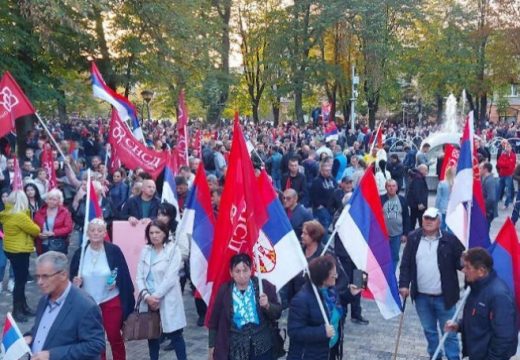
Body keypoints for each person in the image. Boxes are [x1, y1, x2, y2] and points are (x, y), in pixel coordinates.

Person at [399, 207, 464, 360]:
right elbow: (406, 264)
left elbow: (462, 264)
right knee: (429, 331)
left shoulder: (450, 240)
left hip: (445, 297)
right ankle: (435, 356)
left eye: (432, 219)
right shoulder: (413, 238)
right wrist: (403, 284)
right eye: (426, 218)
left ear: (439, 222)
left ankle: (453, 357)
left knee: (449, 333)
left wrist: (468, 261)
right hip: (421, 297)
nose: (428, 221)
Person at [70, 218, 135, 360]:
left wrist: (115, 280)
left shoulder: (113, 250)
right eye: (92, 230)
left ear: (105, 232)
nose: (95, 233)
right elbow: (72, 277)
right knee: (96, 339)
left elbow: (121, 271)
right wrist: (75, 281)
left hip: (110, 300)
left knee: (114, 336)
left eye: (99, 230)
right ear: (87, 232)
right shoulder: (80, 253)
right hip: (89, 305)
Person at [24, 251, 106, 360]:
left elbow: (95, 345)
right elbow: (42, 328)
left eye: (45, 276)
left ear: (63, 275)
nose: (39, 282)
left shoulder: (85, 306)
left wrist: (52, 355)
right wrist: (30, 336)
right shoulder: (44, 299)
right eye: (37, 276)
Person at [444, 248, 518, 360]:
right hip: (476, 354)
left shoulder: (499, 296)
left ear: (481, 271)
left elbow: (504, 337)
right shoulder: (476, 287)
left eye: (468, 267)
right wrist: (459, 325)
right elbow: (478, 319)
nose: (463, 270)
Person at [208, 253, 282, 360]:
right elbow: (214, 320)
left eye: (245, 270)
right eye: (237, 271)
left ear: (251, 270)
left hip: (262, 346)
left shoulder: (262, 286)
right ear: (231, 272)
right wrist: (211, 346)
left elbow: (278, 313)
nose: (242, 275)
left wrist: (267, 306)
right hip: (236, 348)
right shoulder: (225, 291)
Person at [287, 255, 361, 360]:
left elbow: (338, 302)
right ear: (323, 277)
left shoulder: (330, 290)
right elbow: (294, 331)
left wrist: (350, 293)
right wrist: (322, 332)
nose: (336, 276)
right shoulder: (301, 300)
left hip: (328, 351)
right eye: (333, 274)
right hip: (309, 355)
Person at [136, 220, 187, 360]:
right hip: (148, 300)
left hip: (167, 299)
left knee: (176, 336)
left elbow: (170, 278)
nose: (154, 236)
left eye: (157, 232)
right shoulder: (145, 250)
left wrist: (156, 297)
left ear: (165, 233)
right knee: (152, 337)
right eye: (151, 233)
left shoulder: (173, 250)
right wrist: (147, 297)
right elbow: (139, 277)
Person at [0, 191, 41, 322]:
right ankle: (17, 310)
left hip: (10, 248)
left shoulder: (6, 214)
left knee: (20, 280)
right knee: (20, 282)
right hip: (20, 250)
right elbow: (35, 230)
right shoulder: (20, 216)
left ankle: (23, 306)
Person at [381, 179, 410, 270]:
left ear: (397, 187)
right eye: (389, 186)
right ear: (386, 187)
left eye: (393, 186)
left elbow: (406, 217)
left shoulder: (402, 200)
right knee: (383, 257)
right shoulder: (380, 199)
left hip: (397, 234)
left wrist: (405, 234)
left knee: (394, 257)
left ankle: (392, 275)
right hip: (383, 235)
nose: (391, 188)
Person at [34, 188, 73, 255]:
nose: (51, 201)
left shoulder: (64, 212)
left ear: (59, 201)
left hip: (57, 244)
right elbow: (34, 225)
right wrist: (38, 234)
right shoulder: (40, 212)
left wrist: (54, 233)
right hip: (42, 243)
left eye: (54, 199)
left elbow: (68, 228)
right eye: (49, 199)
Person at [310, 157, 337, 231]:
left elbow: (336, 189)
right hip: (321, 209)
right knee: (322, 228)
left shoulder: (332, 179)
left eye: (329, 170)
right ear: (321, 170)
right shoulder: (317, 181)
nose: (328, 172)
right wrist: (319, 206)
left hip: (331, 208)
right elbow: (313, 196)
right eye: (326, 170)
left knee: (328, 225)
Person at [407, 164, 429, 229]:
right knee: (419, 220)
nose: (427, 172)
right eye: (426, 170)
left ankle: (411, 233)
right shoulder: (418, 178)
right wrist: (420, 203)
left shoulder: (417, 176)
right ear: (421, 170)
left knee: (413, 219)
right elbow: (416, 191)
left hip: (415, 204)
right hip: (418, 205)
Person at [496, 143, 516, 209]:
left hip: (509, 175)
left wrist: (504, 164)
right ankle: (495, 203)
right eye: (506, 147)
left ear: (511, 148)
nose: (507, 148)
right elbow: (498, 164)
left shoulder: (513, 155)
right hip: (502, 175)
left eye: (509, 147)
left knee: (508, 191)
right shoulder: (503, 155)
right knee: (498, 189)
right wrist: (506, 164)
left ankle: (506, 204)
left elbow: (511, 165)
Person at [435, 166, 454, 231]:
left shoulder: (442, 183)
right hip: (453, 207)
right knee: (451, 226)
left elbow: (438, 197)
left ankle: (443, 239)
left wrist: (436, 208)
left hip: (443, 206)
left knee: (442, 225)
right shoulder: (456, 184)